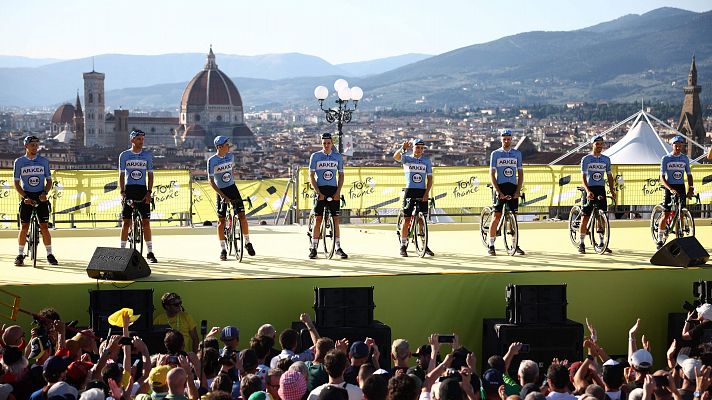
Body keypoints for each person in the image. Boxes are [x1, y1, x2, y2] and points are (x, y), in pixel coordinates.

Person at [208, 135, 256, 260]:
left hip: (232, 188)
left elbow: (230, 172)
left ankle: (247, 242)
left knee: (242, 216)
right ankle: (223, 249)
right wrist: (222, 196)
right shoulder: (211, 161)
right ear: (219, 147)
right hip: (220, 191)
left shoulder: (231, 156)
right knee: (221, 221)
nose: (229, 146)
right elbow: (211, 181)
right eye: (226, 144)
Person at [13, 135, 58, 266]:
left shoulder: (44, 161)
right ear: (26, 146)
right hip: (27, 195)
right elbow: (16, 183)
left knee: (44, 227)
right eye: (32, 145)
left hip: (40, 195)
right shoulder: (19, 162)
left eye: (37, 145)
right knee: (24, 226)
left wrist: (45, 193)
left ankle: (50, 254)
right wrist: (24, 197)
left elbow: (49, 181)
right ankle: (20, 255)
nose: (35, 148)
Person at [118, 129, 157, 263]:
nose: (141, 142)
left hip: (142, 190)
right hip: (129, 190)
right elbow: (122, 175)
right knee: (126, 221)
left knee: (146, 222)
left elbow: (150, 175)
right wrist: (122, 192)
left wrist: (149, 192)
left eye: (143, 140)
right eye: (139, 139)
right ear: (132, 140)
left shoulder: (147, 156)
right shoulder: (124, 155)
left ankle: (150, 252)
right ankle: (122, 250)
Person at [308, 132, 347, 259]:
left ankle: (338, 247)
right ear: (322, 143)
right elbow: (311, 176)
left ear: (332, 143)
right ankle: (313, 247)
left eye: (328, 143)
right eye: (324, 143)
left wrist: (338, 192)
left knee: (336, 219)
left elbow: (341, 176)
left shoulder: (338, 157)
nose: (326, 145)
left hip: (333, 190)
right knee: (318, 219)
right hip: (320, 190)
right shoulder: (315, 156)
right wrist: (318, 192)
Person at [393, 138, 435, 257]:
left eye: (422, 148)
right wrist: (402, 148)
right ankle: (403, 245)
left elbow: (430, 179)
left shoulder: (426, 161)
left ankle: (424, 244)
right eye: (417, 147)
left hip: (422, 191)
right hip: (410, 191)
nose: (420, 150)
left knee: (422, 220)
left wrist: (427, 193)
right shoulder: (407, 158)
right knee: (407, 219)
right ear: (413, 148)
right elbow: (395, 157)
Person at [488, 129, 525, 256]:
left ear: (511, 139)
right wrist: (497, 190)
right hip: (500, 187)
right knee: (496, 216)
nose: (507, 140)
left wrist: (518, 190)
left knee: (513, 216)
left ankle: (515, 244)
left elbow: (520, 173)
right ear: (501, 139)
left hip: (512, 186)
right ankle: (491, 245)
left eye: (509, 138)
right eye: (504, 138)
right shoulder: (495, 154)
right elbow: (492, 174)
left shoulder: (517, 154)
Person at [578, 135, 616, 254]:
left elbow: (609, 176)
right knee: (585, 217)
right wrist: (588, 191)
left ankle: (601, 242)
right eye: (597, 144)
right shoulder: (586, 159)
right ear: (592, 145)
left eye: (601, 144)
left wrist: (612, 190)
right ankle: (581, 243)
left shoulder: (606, 159)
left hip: (600, 189)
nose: (599, 146)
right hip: (589, 188)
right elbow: (583, 177)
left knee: (601, 216)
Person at [657, 135, 694, 250]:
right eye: (676, 146)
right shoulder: (666, 158)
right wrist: (670, 188)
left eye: (680, 146)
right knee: (666, 214)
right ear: (672, 146)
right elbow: (662, 178)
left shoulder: (685, 158)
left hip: (681, 187)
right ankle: (659, 238)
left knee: (681, 212)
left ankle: (681, 234)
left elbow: (689, 174)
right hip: (670, 186)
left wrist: (691, 187)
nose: (678, 148)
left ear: (682, 146)